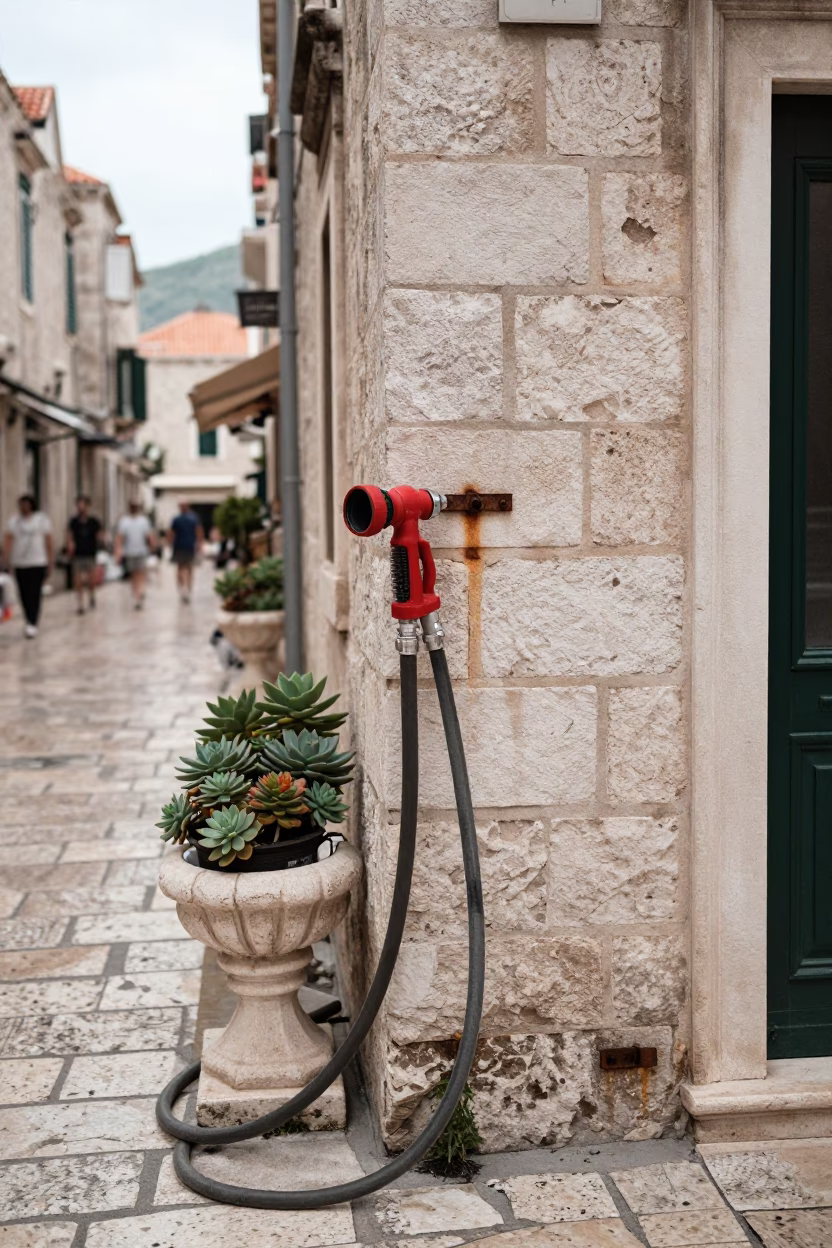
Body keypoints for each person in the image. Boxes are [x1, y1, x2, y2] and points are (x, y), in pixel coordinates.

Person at [3, 495, 53, 638]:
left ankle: (33, 621)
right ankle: (28, 619)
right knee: (23, 592)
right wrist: (6, 560)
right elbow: (8, 540)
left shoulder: (41, 520)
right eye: (21, 504)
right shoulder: (14, 522)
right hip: (20, 563)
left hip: (38, 561)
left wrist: (50, 561)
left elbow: (48, 540)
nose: (24, 507)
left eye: (26, 504)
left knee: (35, 592)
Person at [114, 500, 154, 609]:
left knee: (140, 573)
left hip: (141, 551)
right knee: (133, 575)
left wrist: (152, 547)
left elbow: (149, 536)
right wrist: (118, 553)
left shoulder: (143, 521)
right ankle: (136, 595)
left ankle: (140, 593)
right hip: (130, 552)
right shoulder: (124, 522)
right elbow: (120, 538)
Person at [66, 495, 102, 614]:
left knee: (91, 581)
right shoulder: (73, 522)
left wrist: (101, 542)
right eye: (79, 505)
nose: (81, 507)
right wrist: (70, 546)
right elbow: (69, 535)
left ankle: (91, 595)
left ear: (87, 506)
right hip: (78, 555)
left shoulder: (94, 522)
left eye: (83, 505)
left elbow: (100, 535)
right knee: (78, 580)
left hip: (90, 554)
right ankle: (80, 604)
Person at [168, 501, 203, 604]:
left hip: (186, 546)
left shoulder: (189, 519)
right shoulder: (180, 519)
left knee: (185, 568)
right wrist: (199, 544)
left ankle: (185, 587)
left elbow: (198, 532)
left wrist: (199, 544)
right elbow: (171, 533)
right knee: (185, 568)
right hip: (182, 546)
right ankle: (185, 587)